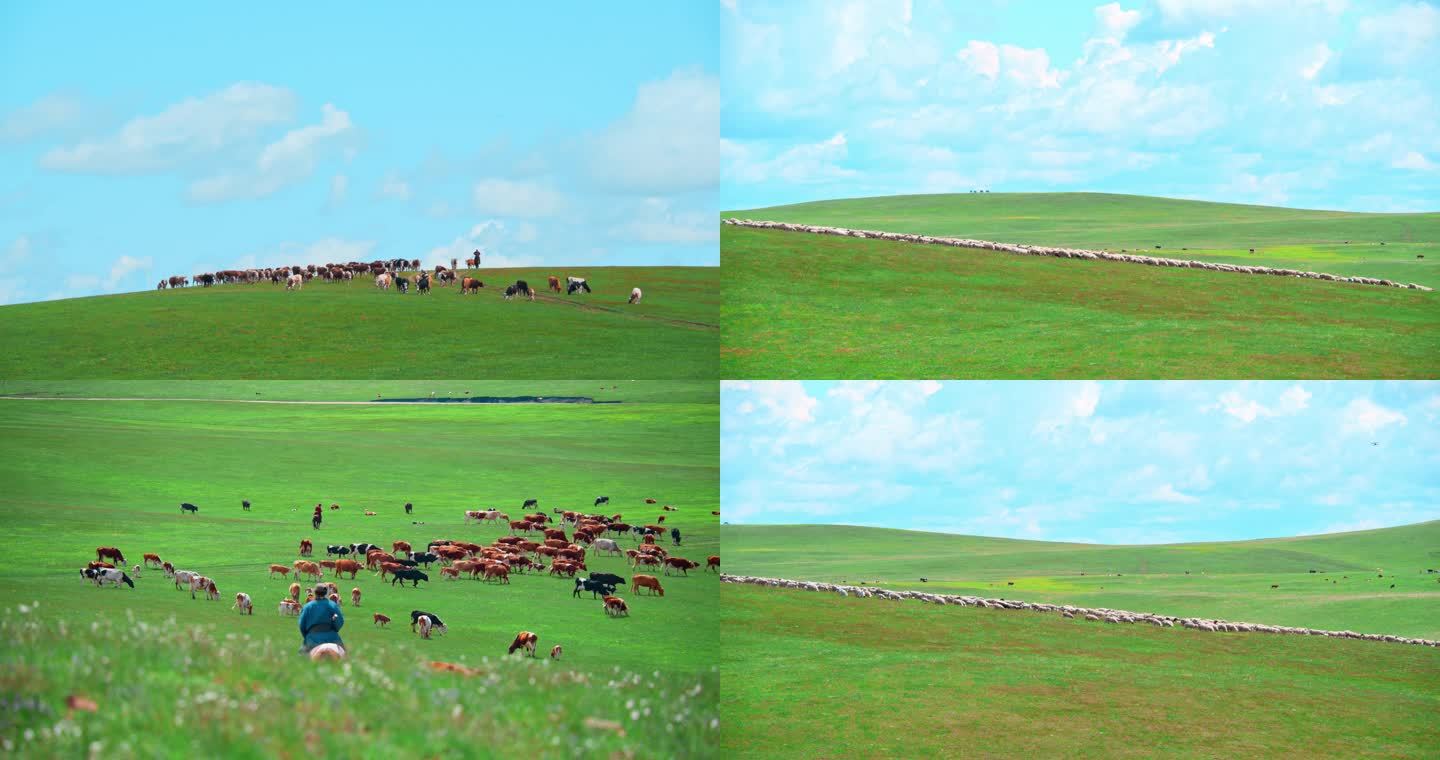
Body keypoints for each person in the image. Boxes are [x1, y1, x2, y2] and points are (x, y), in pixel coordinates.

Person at [298, 583, 345, 655]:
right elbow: (339, 621)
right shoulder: (332, 605)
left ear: (314, 592)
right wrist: (334, 629)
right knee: (343, 654)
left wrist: (307, 636)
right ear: (326, 593)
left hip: (312, 638)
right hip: (332, 637)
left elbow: (302, 625)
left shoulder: (308, 606)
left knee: (303, 657)